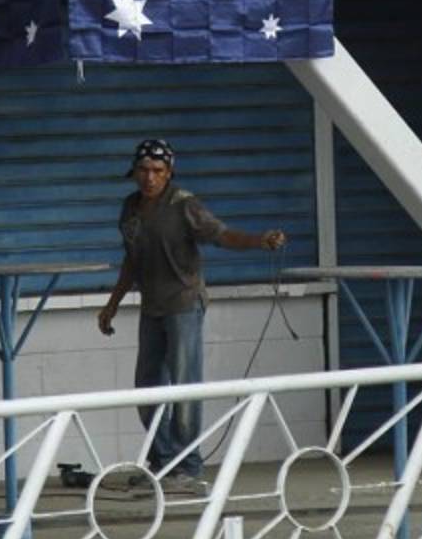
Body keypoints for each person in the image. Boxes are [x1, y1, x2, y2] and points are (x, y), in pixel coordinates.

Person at [96, 138, 286, 495]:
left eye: (157, 171)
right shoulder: (130, 208)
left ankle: (188, 466)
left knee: (185, 389)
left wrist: (259, 240)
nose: (150, 177)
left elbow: (222, 235)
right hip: (152, 306)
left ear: (169, 173)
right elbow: (131, 261)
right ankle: (163, 462)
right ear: (134, 172)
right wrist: (112, 304)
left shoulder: (185, 205)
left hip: (183, 304)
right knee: (146, 390)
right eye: (143, 170)